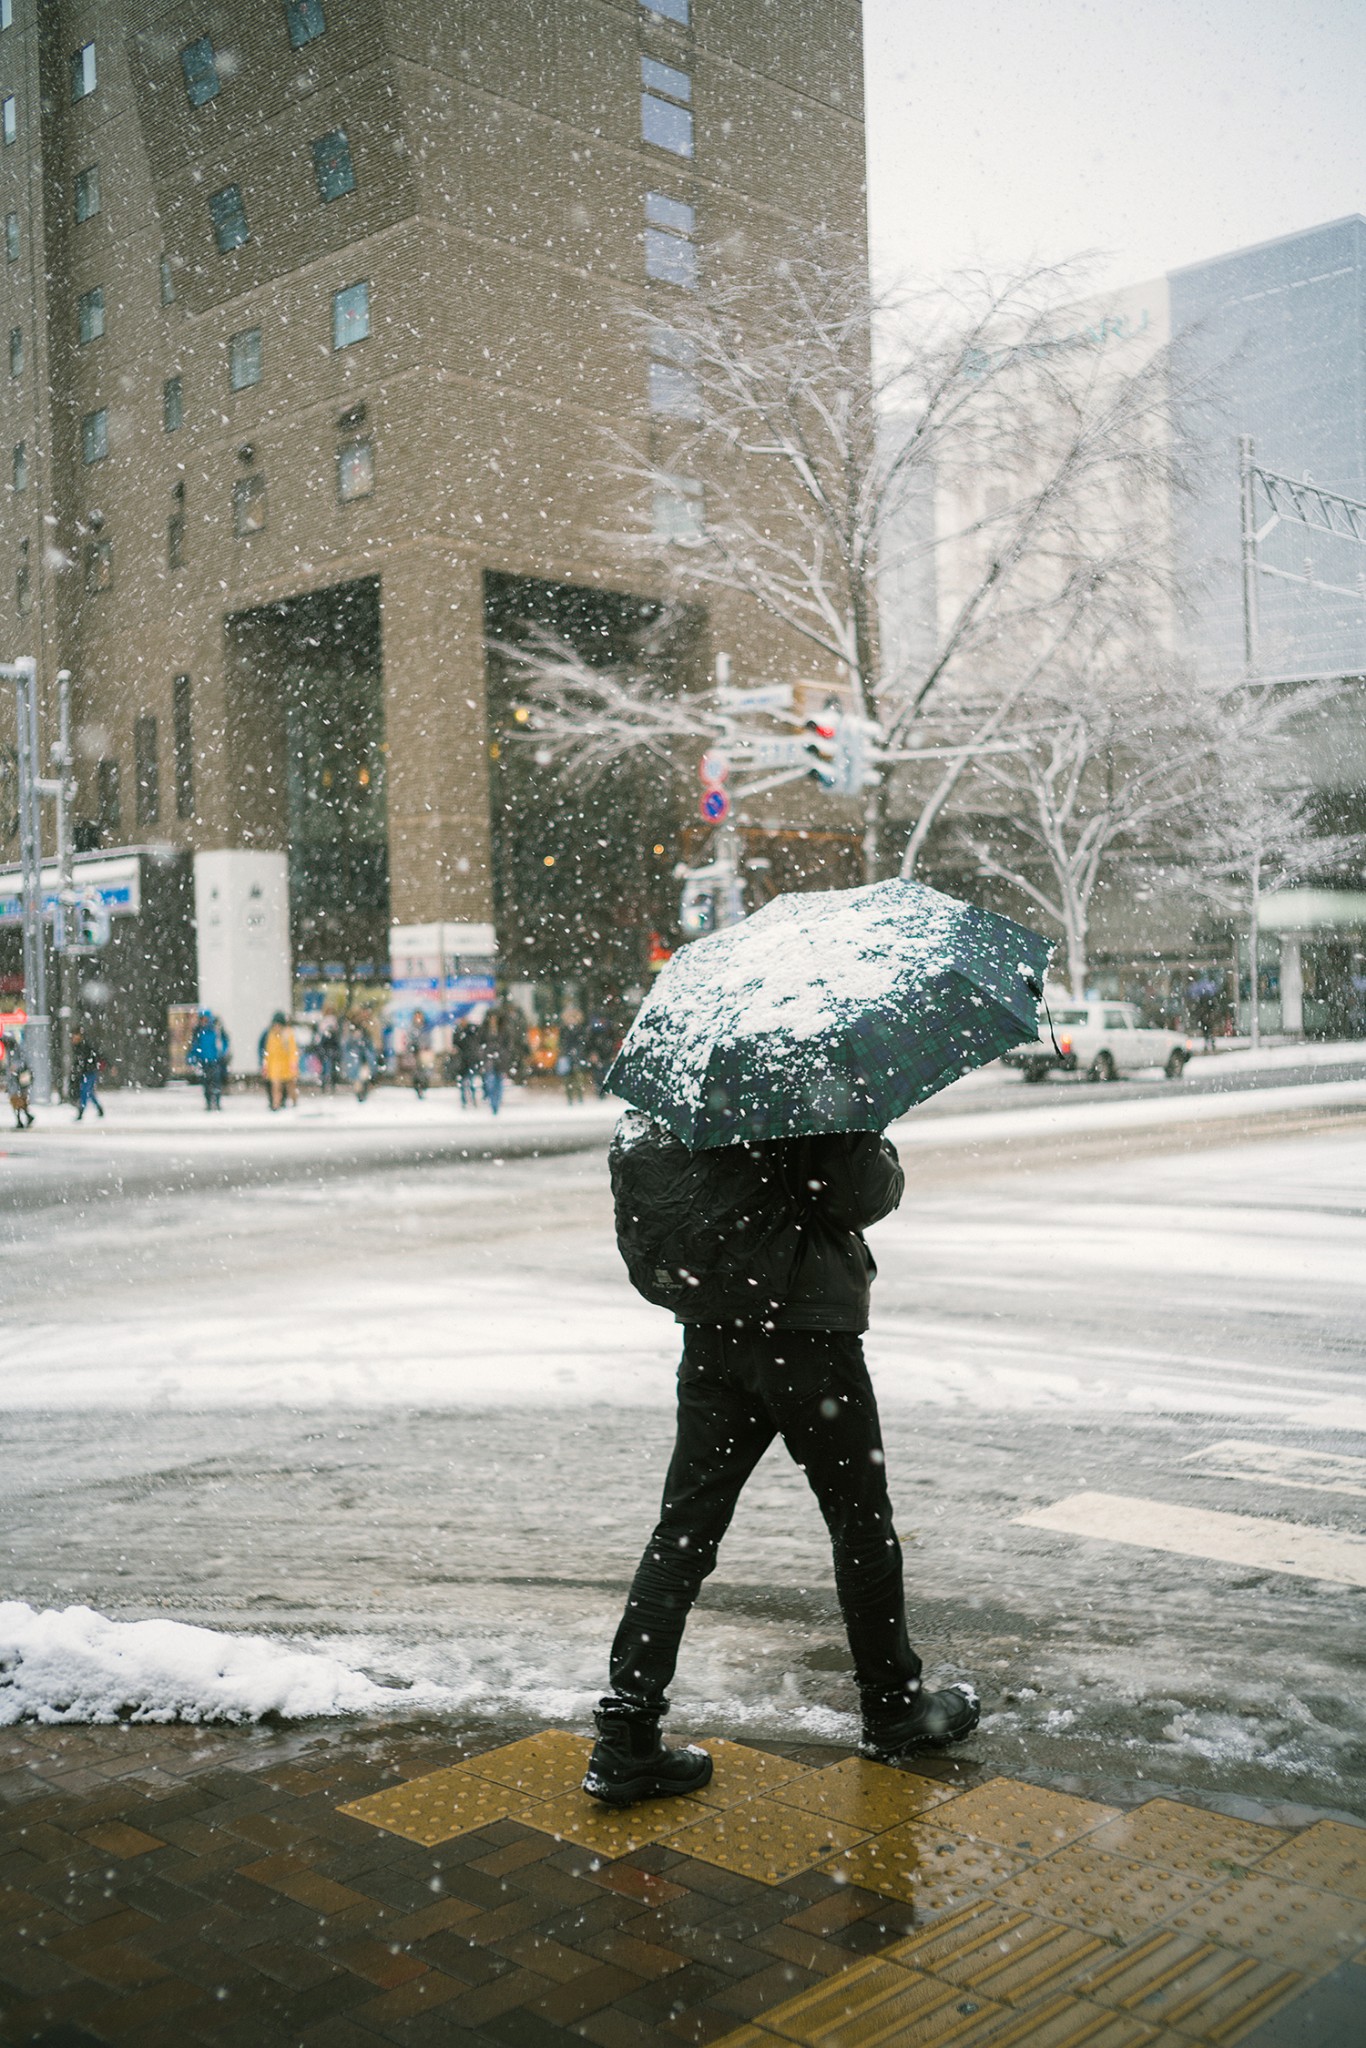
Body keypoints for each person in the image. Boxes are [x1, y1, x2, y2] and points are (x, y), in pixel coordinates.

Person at [582, 1120, 980, 1808]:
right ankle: (892, 1709)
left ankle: (626, 1735)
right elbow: (858, 1197)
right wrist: (875, 1143)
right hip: (807, 1341)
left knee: (683, 1532)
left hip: (713, 1338)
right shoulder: (809, 1088)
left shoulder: (685, 1099)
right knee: (861, 1525)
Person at [188, 1010, 230, 1111]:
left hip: (215, 1061)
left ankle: (217, 1102)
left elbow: (224, 1043)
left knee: (216, 1082)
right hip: (204, 1062)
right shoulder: (198, 1032)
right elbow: (194, 1047)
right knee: (206, 1084)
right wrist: (192, 1057)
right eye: (202, 1019)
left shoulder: (216, 1030)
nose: (204, 1021)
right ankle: (209, 1103)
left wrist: (221, 1054)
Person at [261, 1011, 299, 1111]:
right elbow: (268, 1051)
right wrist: (266, 1065)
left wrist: (293, 1063)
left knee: (290, 1086)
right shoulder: (271, 1035)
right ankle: (276, 1105)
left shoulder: (288, 1034)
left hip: (287, 1064)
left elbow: (292, 1050)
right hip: (275, 1065)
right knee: (276, 1086)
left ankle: (294, 1102)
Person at [71, 1028, 104, 1121]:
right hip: (86, 1072)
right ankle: (99, 1109)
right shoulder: (78, 1047)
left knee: (84, 1092)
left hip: (89, 1072)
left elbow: (96, 1056)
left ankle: (81, 1111)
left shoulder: (84, 1047)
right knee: (89, 1092)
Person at [341, 1019, 376, 1103]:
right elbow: (346, 1051)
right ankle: (360, 1094)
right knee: (358, 1081)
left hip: (364, 1063)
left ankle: (362, 1094)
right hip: (356, 1064)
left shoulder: (364, 1040)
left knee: (363, 1079)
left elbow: (370, 1050)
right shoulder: (351, 1041)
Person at [3, 1034, 33, 1130]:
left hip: (20, 1079)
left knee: (18, 1099)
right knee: (16, 1099)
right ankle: (23, 1118)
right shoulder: (10, 1050)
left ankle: (22, 1118)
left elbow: (23, 1062)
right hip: (15, 1080)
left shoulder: (18, 1049)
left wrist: (16, 1067)